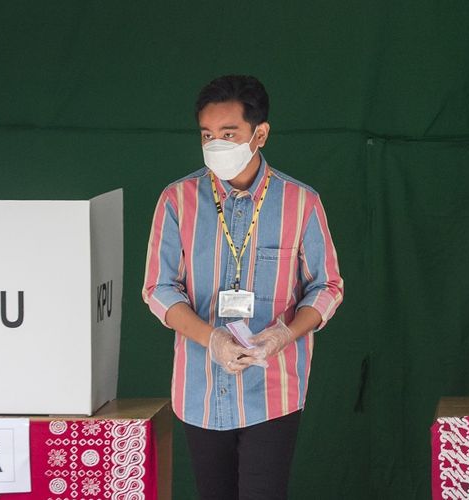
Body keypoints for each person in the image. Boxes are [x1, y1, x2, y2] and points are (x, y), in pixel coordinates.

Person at [142, 75, 344, 499]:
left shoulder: (301, 202)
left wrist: (285, 333)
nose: (217, 144)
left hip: (272, 387)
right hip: (199, 386)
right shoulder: (176, 200)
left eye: (228, 133)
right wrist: (210, 338)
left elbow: (327, 286)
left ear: (260, 134)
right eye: (207, 135)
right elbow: (158, 288)